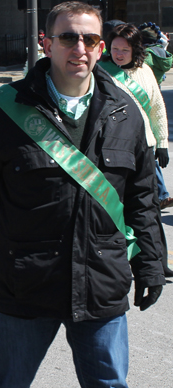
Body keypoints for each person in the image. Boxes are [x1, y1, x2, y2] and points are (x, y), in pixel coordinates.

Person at [0, 2, 165, 388]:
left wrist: (151, 263)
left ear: (100, 47)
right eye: (67, 37)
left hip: (101, 284)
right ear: (47, 43)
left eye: (90, 39)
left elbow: (142, 200)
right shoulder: (5, 109)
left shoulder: (126, 112)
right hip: (27, 284)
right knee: (8, 387)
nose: (79, 47)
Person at [100, 23, 173, 278]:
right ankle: (115, 260)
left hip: (145, 150)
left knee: (148, 208)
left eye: (125, 49)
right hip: (113, 150)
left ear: (136, 50)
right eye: (115, 48)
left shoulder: (145, 72)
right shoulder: (101, 72)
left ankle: (158, 260)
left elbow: (157, 107)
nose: (118, 53)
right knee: (114, 208)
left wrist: (162, 142)